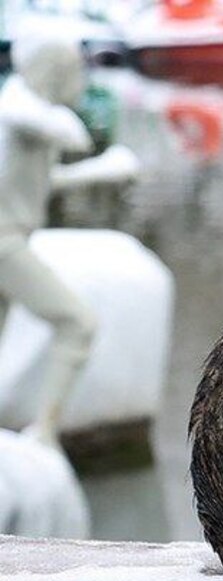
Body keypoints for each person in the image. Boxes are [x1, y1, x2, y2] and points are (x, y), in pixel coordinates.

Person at [0, 31, 139, 449]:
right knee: (78, 324)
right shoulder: (18, 109)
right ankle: (44, 432)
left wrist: (103, 170)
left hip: (11, 239)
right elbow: (67, 132)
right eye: (74, 73)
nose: (81, 84)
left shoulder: (24, 118)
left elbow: (41, 183)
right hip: (3, 245)